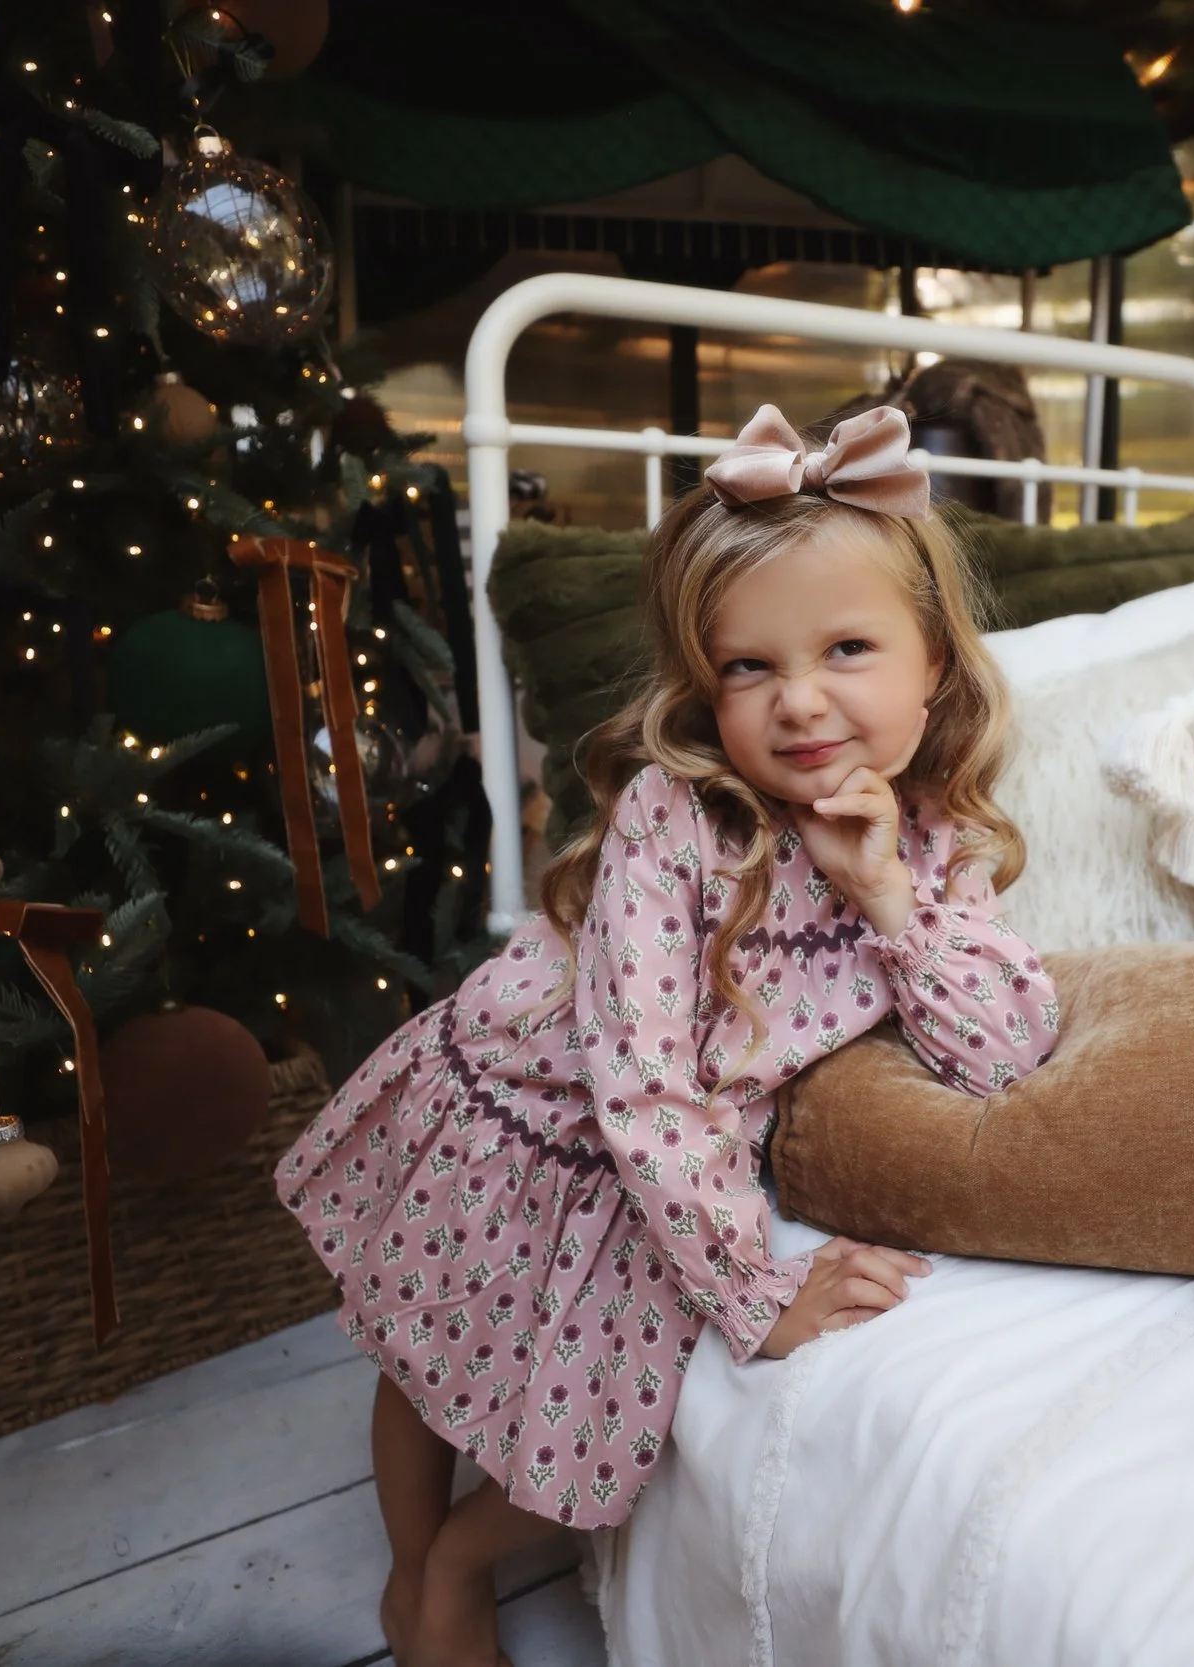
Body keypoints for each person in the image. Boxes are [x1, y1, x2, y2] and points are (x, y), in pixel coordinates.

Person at [276, 403, 1060, 1667]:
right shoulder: (677, 813)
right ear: (705, 685)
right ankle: (416, 1575)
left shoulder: (936, 841)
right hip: (525, 1110)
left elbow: (1003, 1050)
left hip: (651, 1170)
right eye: (747, 666)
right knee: (426, 1358)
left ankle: (460, 1558)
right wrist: (759, 1291)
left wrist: (889, 903)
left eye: (847, 647)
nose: (799, 702)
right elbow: (640, 1076)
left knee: (592, 1440)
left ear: (934, 664)